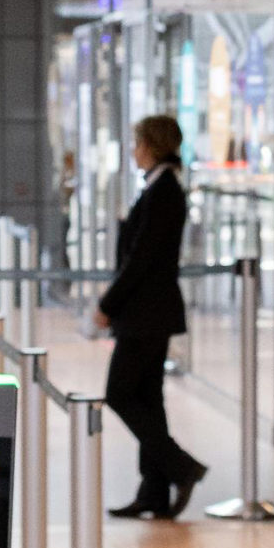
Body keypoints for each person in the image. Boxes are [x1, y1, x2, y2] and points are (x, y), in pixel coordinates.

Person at [96, 115, 206, 518]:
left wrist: (107, 304)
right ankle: (154, 491)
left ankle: (181, 467)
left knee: (120, 393)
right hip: (148, 313)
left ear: (152, 146)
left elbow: (141, 260)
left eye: (138, 142)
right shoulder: (159, 187)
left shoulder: (164, 192)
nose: (134, 150)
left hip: (147, 314)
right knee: (147, 398)